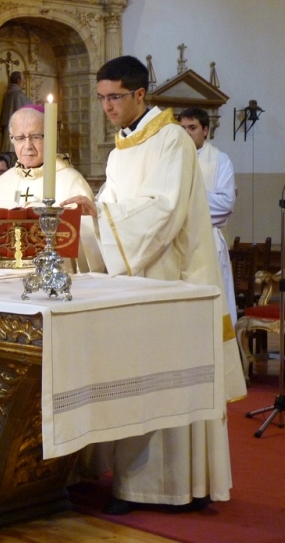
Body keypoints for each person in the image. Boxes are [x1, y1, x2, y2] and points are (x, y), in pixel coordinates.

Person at [61, 55, 247, 514]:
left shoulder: (171, 142)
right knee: (131, 380)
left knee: (162, 380)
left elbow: (162, 212)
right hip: (134, 281)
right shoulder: (122, 148)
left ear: (140, 95)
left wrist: (100, 216)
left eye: (115, 97)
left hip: (169, 282)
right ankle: (130, 480)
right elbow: (111, 206)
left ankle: (169, 488)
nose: (107, 106)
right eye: (101, 97)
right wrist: (86, 214)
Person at [0, 105, 104, 273]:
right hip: (3, 279)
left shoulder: (71, 180)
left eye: (35, 137)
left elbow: (89, 242)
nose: (27, 145)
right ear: (11, 139)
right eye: (20, 138)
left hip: (55, 278)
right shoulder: (5, 180)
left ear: (50, 138)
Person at [179, 107, 237, 327]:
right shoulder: (171, 160)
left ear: (205, 130)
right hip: (178, 243)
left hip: (209, 241)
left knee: (214, 302)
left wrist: (187, 200)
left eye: (192, 128)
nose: (186, 133)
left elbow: (225, 204)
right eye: (182, 128)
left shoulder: (220, 161)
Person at [0, 71, 32, 153]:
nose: (24, 82)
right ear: (18, 80)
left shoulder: (7, 95)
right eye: (23, 79)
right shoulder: (19, 95)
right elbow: (31, 111)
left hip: (7, 134)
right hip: (18, 134)